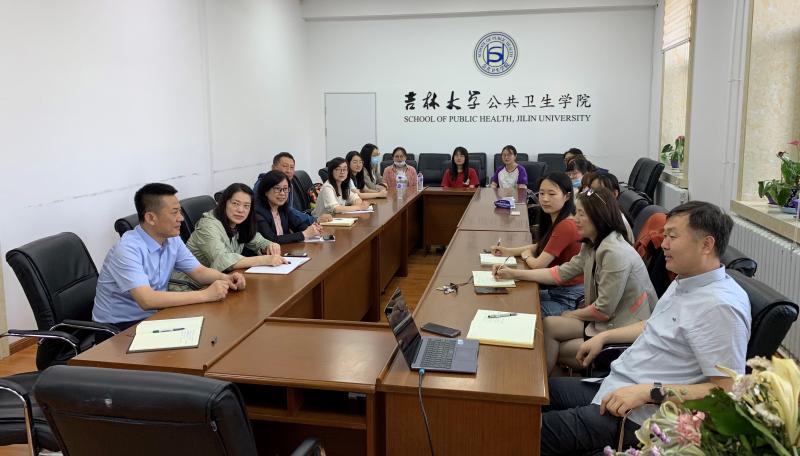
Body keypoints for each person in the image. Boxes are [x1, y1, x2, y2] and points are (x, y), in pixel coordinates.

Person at [540, 201, 750, 456]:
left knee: (521, 428)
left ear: (706, 245)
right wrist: (605, 336)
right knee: (536, 395)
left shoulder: (720, 307)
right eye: (665, 235)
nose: (663, 244)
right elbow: (654, 324)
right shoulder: (685, 280)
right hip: (615, 383)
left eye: (672, 236)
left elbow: (726, 390)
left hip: (637, 415)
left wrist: (649, 392)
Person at [493, 187, 656, 374]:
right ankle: (540, 382)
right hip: (606, 320)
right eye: (575, 212)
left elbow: (603, 310)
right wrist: (514, 274)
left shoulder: (614, 253)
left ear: (599, 217)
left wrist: (571, 314)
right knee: (549, 326)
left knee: (555, 345)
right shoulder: (593, 243)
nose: (575, 219)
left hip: (622, 329)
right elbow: (560, 273)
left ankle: (538, 385)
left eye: (581, 214)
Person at [92, 183, 247, 330]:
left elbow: (199, 272)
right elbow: (147, 300)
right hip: (119, 327)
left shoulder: (171, 239)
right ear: (151, 218)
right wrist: (205, 295)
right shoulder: (127, 249)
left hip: (157, 315)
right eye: (174, 212)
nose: (181, 218)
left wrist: (226, 278)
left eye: (180, 211)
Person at [489, 172, 583, 316]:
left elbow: (538, 264)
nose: (545, 199)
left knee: (519, 310)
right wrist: (508, 251)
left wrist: (526, 257)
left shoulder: (566, 225)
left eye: (552, 194)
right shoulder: (557, 219)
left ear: (567, 196)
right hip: (555, 290)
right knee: (513, 299)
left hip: (567, 298)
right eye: (542, 193)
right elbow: (542, 246)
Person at [171, 183, 286, 289]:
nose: (241, 210)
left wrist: (269, 245)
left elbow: (258, 240)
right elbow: (222, 258)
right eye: (235, 203)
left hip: (220, 282)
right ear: (224, 203)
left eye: (246, 206)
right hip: (188, 287)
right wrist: (264, 259)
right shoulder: (208, 225)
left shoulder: (240, 223)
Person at [254, 152, 333, 225]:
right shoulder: (262, 185)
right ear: (273, 167)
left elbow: (288, 211)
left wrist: (313, 222)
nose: (288, 171)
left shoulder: (288, 184)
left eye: (292, 167)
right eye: (285, 166)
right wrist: (314, 220)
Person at [255, 171, 325, 244]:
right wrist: (305, 234)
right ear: (266, 191)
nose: (282, 193)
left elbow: (298, 226)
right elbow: (271, 239)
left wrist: (313, 229)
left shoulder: (283, 208)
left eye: (285, 189)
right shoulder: (258, 213)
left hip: (286, 249)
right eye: (277, 189)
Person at [589, 172, 635, 242]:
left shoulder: (616, 223)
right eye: (591, 190)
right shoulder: (600, 213)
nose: (592, 195)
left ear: (614, 194)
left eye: (599, 192)